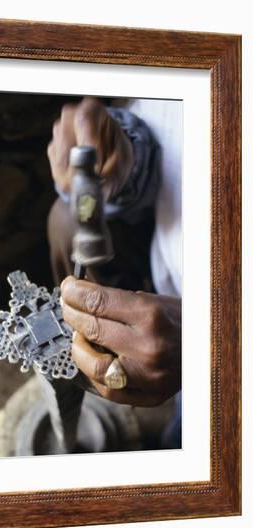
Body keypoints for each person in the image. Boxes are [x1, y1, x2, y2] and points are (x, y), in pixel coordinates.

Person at [47, 97, 182, 445]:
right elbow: (178, 154)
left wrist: (219, 342)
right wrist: (127, 158)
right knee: (65, 221)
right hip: (170, 258)